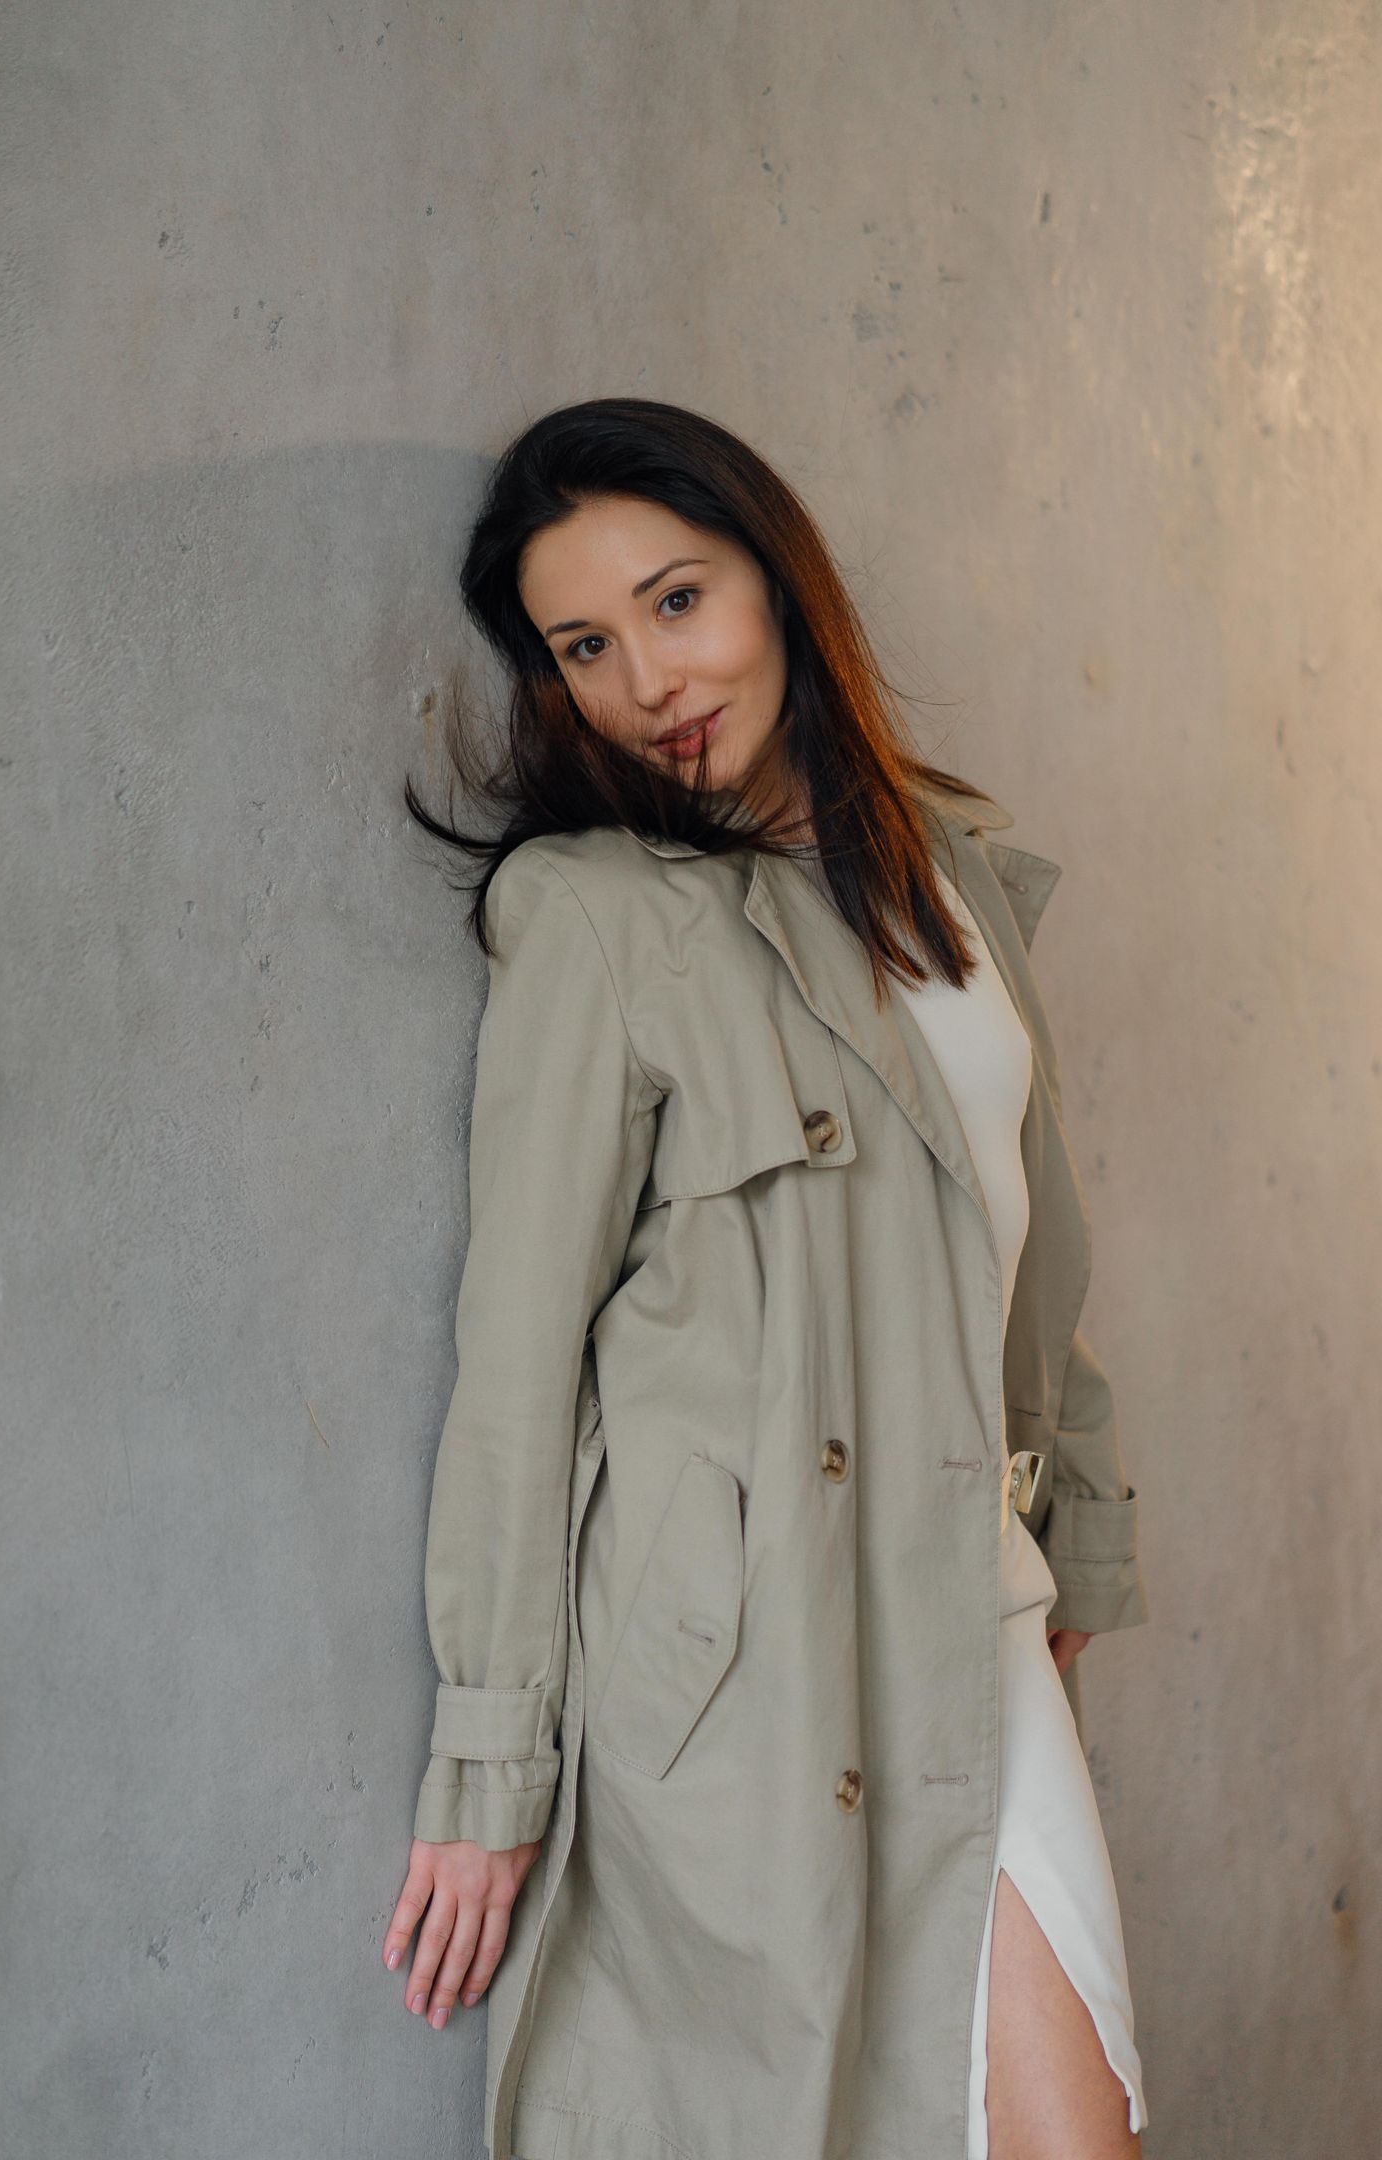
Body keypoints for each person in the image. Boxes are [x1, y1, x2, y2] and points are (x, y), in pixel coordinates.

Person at [382, 396, 1151, 2160]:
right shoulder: (601, 917)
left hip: (976, 1608)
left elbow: (1029, 1243)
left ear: (777, 580)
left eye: (677, 601)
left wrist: (1080, 1533)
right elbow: (517, 1365)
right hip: (752, 1667)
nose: (648, 680)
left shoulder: (956, 874)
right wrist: (490, 1763)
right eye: (585, 645)